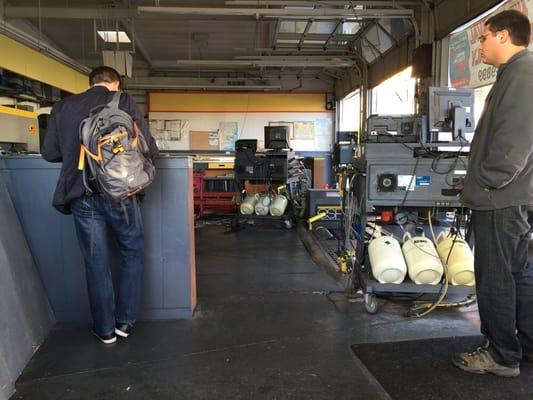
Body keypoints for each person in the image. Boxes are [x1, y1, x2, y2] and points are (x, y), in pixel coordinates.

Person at [42, 66, 159, 344]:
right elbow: (149, 149)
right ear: (115, 84)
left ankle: (105, 330)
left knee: (96, 262)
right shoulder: (124, 101)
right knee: (132, 252)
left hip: (82, 196)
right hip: (121, 194)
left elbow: (49, 153)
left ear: (91, 83)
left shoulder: (63, 106)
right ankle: (125, 323)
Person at [454, 10, 533, 377]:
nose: (479, 47)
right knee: (517, 273)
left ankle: (502, 355)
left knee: (496, 277)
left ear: (504, 36)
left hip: (500, 198)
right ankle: (524, 346)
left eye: (484, 38)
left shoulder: (522, 74)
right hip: (513, 197)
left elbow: (513, 144)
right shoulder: (515, 74)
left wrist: (485, 182)